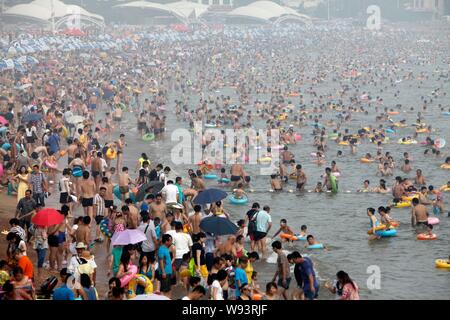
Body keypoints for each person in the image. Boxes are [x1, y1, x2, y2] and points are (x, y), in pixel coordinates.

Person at [157, 234, 173, 298]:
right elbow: (161, 261)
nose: (171, 242)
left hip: (168, 272)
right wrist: (163, 272)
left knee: (168, 289)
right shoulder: (161, 249)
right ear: (166, 241)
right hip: (165, 272)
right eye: (170, 240)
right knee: (164, 290)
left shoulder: (166, 248)